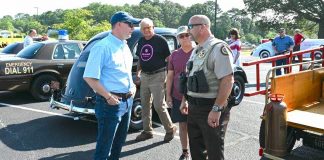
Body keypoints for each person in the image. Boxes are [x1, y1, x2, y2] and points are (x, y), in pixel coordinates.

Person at [83, 11, 140, 160]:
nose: (133, 29)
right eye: (130, 25)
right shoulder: (102, 47)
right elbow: (89, 77)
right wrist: (108, 96)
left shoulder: (124, 46)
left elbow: (124, 72)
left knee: (118, 145)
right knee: (104, 148)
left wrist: (132, 86)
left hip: (127, 101)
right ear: (119, 24)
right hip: (110, 104)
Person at [180, 15, 234, 160]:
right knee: (197, 151)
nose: (189, 30)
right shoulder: (197, 49)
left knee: (214, 151)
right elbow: (189, 78)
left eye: (191, 27)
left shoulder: (218, 48)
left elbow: (228, 80)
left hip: (210, 108)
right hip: (194, 108)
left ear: (203, 27)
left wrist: (216, 109)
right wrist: (185, 100)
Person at [134, 18, 177, 142]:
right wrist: (137, 73)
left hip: (158, 75)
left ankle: (170, 129)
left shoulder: (160, 40)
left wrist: (169, 75)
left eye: (149, 27)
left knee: (159, 105)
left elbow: (169, 59)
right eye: (144, 28)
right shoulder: (141, 41)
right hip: (145, 76)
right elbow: (141, 59)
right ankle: (147, 131)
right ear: (141, 30)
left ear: (153, 27)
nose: (147, 30)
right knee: (145, 105)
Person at [166, 26, 193, 160]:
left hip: (195, 97)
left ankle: (199, 153)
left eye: (187, 35)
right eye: (181, 36)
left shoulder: (198, 52)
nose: (184, 38)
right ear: (178, 38)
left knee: (196, 127)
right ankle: (185, 151)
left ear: (191, 35)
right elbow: (170, 76)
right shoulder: (174, 55)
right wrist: (168, 95)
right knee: (183, 126)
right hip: (177, 95)